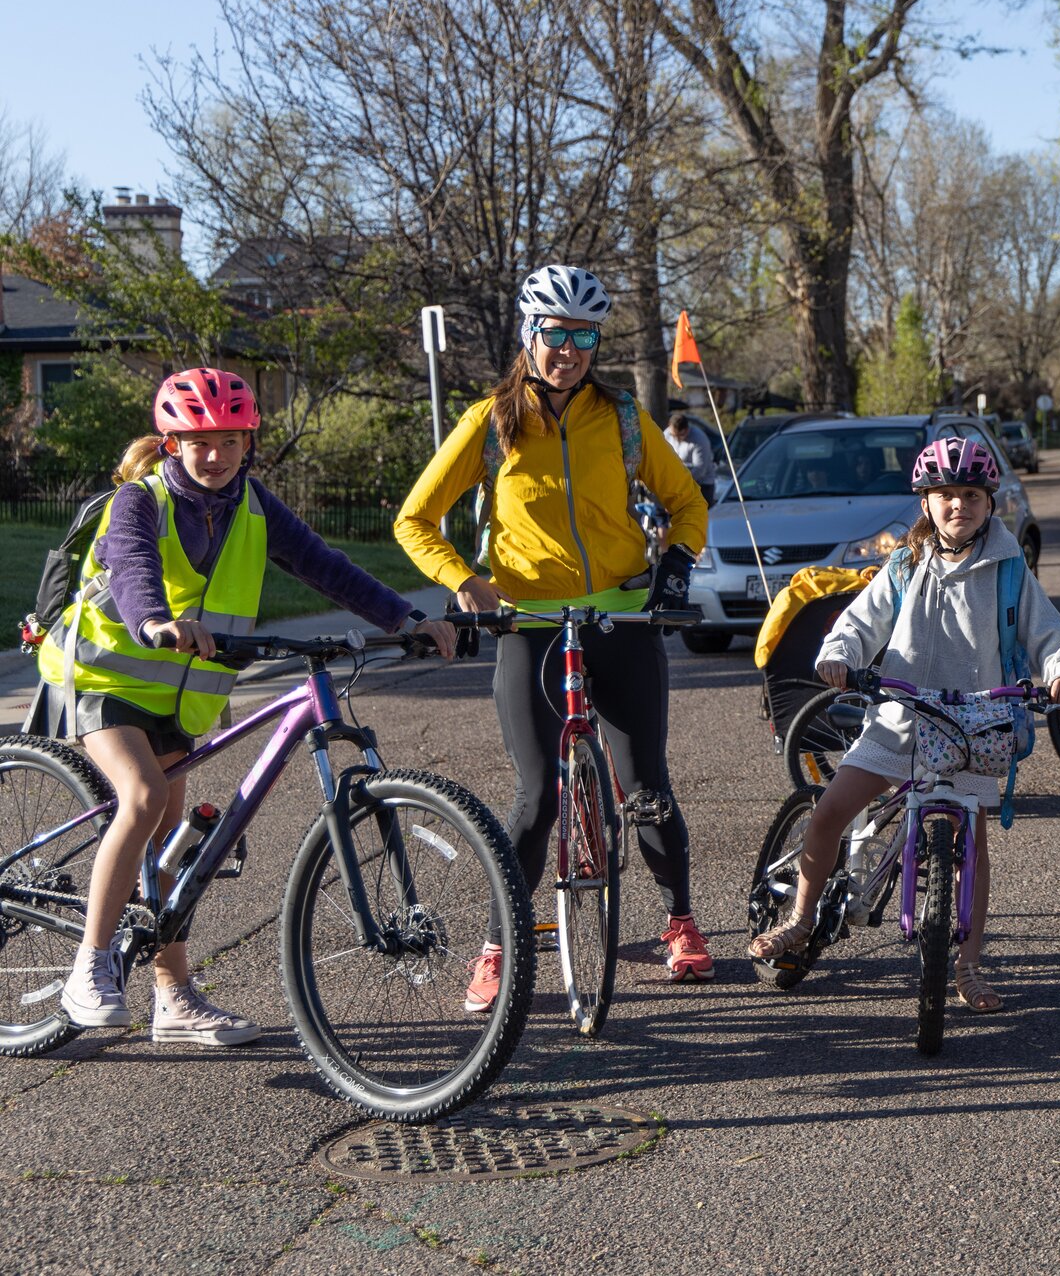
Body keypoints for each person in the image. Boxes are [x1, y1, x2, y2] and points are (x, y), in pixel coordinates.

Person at [49, 369, 458, 1045]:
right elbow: (132, 569)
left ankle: (173, 999)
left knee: (172, 852)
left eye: (230, 441)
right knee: (145, 798)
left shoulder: (254, 504)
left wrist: (405, 617)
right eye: (199, 442)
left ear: (249, 444)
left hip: (178, 698)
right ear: (172, 443)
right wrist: (155, 622)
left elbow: (324, 565)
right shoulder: (139, 501)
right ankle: (88, 969)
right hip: (104, 678)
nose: (215, 455)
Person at [395, 264, 715, 1009]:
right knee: (537, 796)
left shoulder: (623, 418)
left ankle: (680, 922)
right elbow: (414, 521)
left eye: (584, 336)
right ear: (528, 335)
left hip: (620, 619)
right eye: (554, 333)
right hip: (530, 623)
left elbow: (687, 502)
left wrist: (675, 567)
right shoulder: (489, 422)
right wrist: (464, 582)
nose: (568, 350)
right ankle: (498, 943)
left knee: (648, 787)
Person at [746, 436, 1060, 1012]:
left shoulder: (1009, 570)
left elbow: (1049, 633)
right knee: (829, 813)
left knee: (971, 847)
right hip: (899, 718)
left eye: (971, 495)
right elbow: (859, 622)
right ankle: (800, 920)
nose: (959, 505)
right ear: (925, 503)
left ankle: (968, 964)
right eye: (945, 495)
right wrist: (840, 654)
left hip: (971, 726)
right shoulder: (905, 564)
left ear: (990, 502)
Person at [666, 410, 717, 503]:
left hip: (701, 485)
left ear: (687, 429)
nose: (677, 439)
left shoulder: (699, 439)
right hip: (677, 485)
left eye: (680, 435)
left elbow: (700, 469)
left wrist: (680, 484)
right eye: (674, 436)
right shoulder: (667, 434)